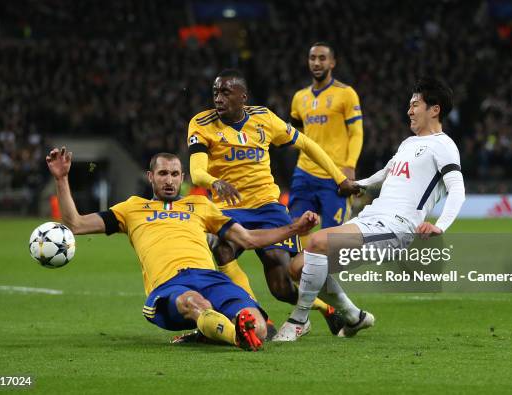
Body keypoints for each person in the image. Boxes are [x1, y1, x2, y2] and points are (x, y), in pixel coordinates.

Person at [46, 147, 319, 351]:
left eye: (175, 174)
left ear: (182, 177)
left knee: (258, 326)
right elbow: (76, 224)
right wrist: (62, 178)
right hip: (169, 285)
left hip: (211, 278)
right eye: (163, 173)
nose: (169, 180)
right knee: (194, 303)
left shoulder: (200, 206)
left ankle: (226, 331)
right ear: (150, 176)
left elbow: (248, 239)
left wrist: (294, 228)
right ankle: (234, 335)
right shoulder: (131, 208)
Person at [273, 77, 466, 341]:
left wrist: (439, 225)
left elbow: (458, 189)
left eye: (415, 105)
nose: (409, 110)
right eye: (409, 105)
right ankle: (354, 316)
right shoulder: (408, 144)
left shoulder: (444, 146)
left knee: (317, 241)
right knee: (298, 267)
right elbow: (386, 173)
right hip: (372, 218)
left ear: (435, 110)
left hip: (397, 227)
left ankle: (299, 320)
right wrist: (357, 185)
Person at [188, 69, 362, 336]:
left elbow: (307, 144)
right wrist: (213, 182)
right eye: (215, 93)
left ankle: (327, 309)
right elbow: (196, 171)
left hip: (268, 207)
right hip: (228, 209)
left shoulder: (263, 118)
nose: (218, 98)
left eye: (225, 92)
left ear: (242, 96)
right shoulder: (201, 123)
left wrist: (339, 178)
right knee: (222, 249)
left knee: (281, 286)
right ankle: (259, 317)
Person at [288, 42, 363, 246]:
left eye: (322, 58)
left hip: (335, 176)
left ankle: (323, 277)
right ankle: (301, 277)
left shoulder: (346, 93)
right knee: (296, 231)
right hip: (304, 173)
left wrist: (350, 166)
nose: (317, 62)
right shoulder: (299, 98)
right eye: (313, 58)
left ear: (332, 63)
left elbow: (356, 133)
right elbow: (298, 136)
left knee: (332, 242)